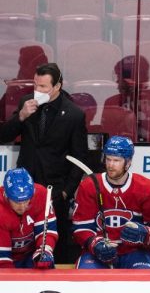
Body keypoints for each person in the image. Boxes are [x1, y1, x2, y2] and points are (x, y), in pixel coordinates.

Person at [0, 62, 87, 263]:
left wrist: (66, 191)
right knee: (19, 244)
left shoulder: (74, 114)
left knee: (54, 246)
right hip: (25, 190)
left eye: (43, 87)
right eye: (35, 85)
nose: (37, 91)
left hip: (54, 191)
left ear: (57, 86)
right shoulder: (26, 102)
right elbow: (3, 136)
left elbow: (80, 156)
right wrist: (21, 116)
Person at [71, 136, 150, 269]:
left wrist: (145, 234)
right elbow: (80, 228)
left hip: (134, 252)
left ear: (128, 162)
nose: (110, 165)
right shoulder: (90, 185)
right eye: (108, 159)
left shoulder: (146, 188)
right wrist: (96, 244)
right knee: (88, 281)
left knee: (143, 283)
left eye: (116, 160)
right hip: (97, 253)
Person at [0, 168, 56, 269]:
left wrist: (44, 251)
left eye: (26, 200)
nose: (22, 207)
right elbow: (3, 260)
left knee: (45, 267)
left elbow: (47, 232)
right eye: (17, 202)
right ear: (7, 195)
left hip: (30, 255)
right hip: (5, 258)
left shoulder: (42, 195)